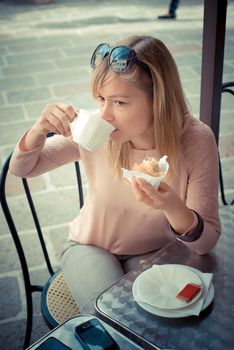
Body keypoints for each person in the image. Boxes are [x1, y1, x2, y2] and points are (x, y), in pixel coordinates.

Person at [9, 35, 221, 314]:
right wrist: (38, 129)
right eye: (100, 98)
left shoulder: (195, 140)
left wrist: (171, 206)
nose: (104, 113)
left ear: (159, 100)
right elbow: (23, 168)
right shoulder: (96, 129)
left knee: (157, 318)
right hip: (90, 246)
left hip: (157, 251)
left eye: (120, 103)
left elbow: (205, 245)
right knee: (111, 315)